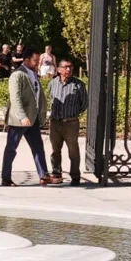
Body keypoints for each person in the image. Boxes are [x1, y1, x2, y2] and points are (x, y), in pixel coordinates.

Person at [1, 49, 50, 187]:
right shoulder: (18, 75)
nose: (38, 63)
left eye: (38, 60)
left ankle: (43, 175)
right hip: (19, 120)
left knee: (38, 148)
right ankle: (6, 178)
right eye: (35, 60)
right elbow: (15, 98)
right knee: (11, 148)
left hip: (32, 119)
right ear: (26, 60)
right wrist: (22, 116)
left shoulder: (34, 73)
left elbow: (38, 95)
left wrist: (41, 114)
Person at [48, 58, 88, 186]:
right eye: (65, 67)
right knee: (55, 150)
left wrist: (71, 113)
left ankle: (75, 176)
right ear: (59, 69)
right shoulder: (53, 83)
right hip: (55, 123)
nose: (69, 69)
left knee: (73, 151)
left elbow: (84, 104)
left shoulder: (78, 84)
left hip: (71, 123)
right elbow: (51, 99)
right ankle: (56, 174)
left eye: (70, 67)